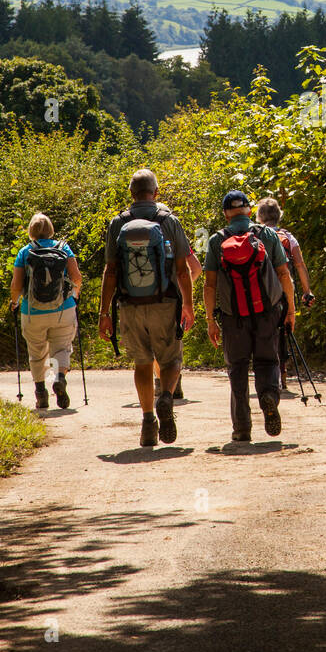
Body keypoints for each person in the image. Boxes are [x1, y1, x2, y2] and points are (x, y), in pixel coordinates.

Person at [98, 169, 195, 448]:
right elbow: (182, 268)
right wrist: (188, 304)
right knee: (171, 360)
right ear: (156, 192)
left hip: (129, 304)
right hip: (165, 302)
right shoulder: (169, 220)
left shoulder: (118, 223)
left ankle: (148, 422)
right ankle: (166, 395)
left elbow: (111, 270)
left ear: (131, 193)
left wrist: (105, 314)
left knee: (142, 363)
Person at [203, 190, 296, 442]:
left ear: (225, 213)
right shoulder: (266, 234)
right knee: (268, 362)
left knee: (238, 368)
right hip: (267, 312)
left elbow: (209, 285)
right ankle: (268, 395)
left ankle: (242, 428)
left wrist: (211, 320)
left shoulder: (215, 241)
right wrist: (290, 309)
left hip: (233, 317)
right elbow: (283, 274)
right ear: (248, 210)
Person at [10, 212, 82, 410]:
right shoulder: (64, 248)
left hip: (32, 311)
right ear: (51, 230)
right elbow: (77, 277)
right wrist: (74, 295)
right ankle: (59, 377)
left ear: (31, 231)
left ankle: (41, 392)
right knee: (62, 348)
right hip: (63, 309)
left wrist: (14, 302)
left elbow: (16, 285)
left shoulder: (25, 252)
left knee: (36, 352)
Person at [255, 196, 315, 390]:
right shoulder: (288, 236)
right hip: (284, 289)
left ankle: (264, 373)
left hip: (260, 291)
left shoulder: (254, 234)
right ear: (279, 215)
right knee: (284, 330)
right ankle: (283, 373)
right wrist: (307, 291)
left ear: (259, 216)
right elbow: (299, 263)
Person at [153, 246, 203, 401]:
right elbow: (196, 268)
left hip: (144, 299)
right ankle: (175, 384)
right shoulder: (175, 237)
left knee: (153, 343)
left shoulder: (135, 235)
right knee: (174, 344)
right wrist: (182, 289)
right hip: (173, 299)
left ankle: (161, 383)